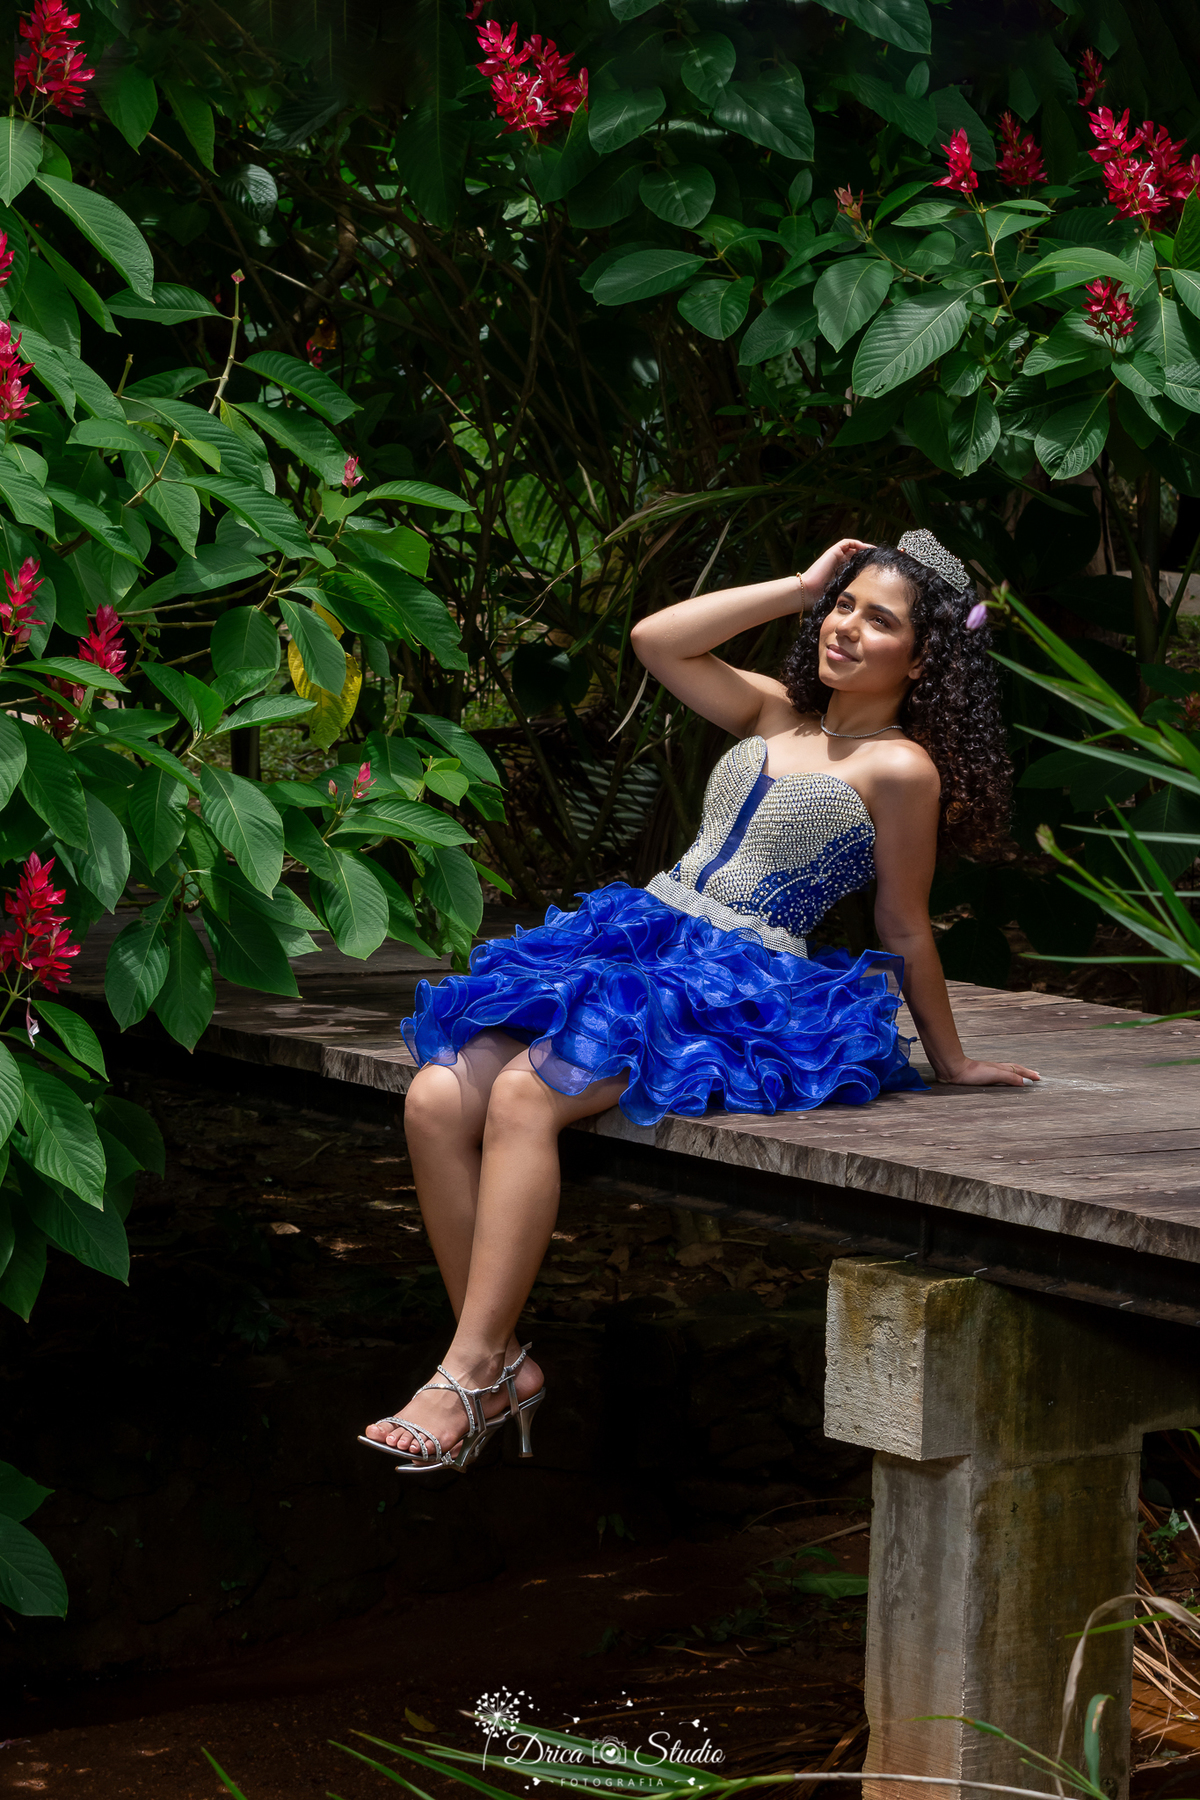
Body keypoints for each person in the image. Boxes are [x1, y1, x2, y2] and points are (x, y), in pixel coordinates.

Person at [360, 529, 1040, 1472]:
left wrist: (952, 1060)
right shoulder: (774, 711)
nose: (845, 628)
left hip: (735, 980)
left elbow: (905, 924)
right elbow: (656, 639)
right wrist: (799, 582)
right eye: (843, 606)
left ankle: (467, 1370)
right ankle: (501, 1359)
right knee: (435, 1097)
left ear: (922, 658)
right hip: (637, 936)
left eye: (876, 619)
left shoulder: (901, 768)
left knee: (523, 1095)